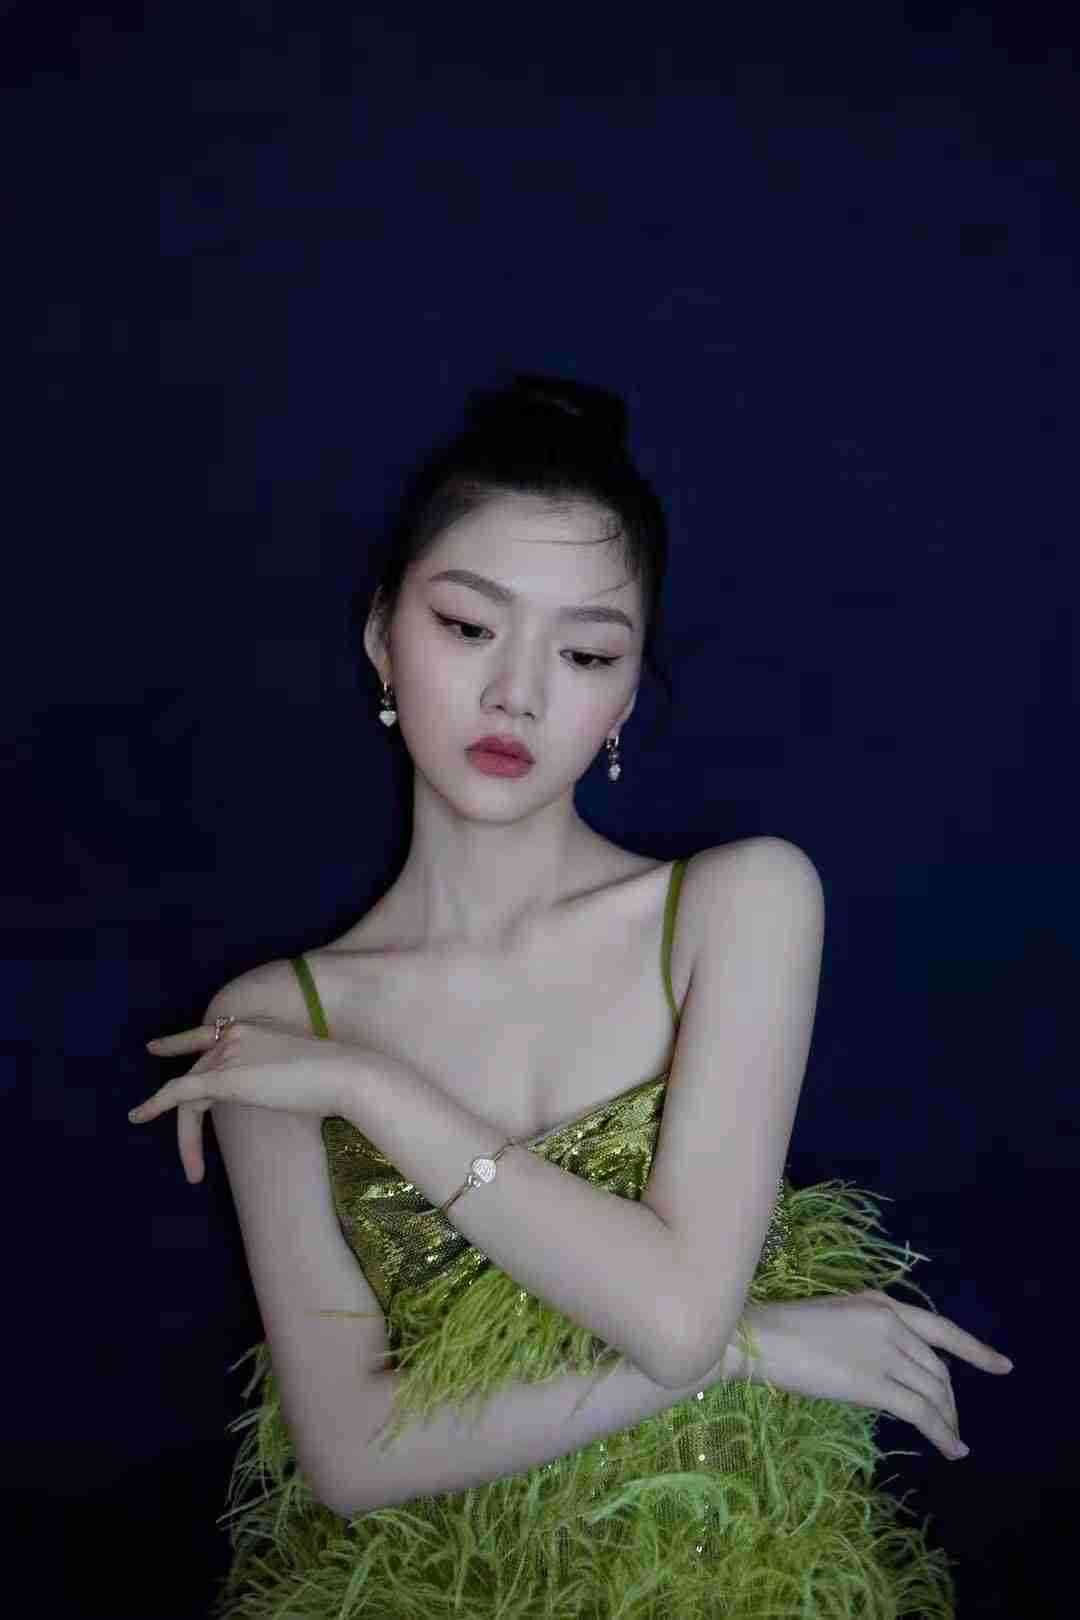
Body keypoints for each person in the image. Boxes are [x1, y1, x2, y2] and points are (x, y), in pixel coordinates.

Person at [195, 373, 989, 1616]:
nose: (518, 692)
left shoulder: (738, 904)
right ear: (382, 636)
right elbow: (350, 1457)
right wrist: (759, 1347)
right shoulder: (278, 1022)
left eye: (585, 653)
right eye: (469, 626)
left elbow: (673, 1319)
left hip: (734, 1577)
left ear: (624, 697)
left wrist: (371, 1090)